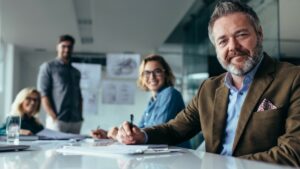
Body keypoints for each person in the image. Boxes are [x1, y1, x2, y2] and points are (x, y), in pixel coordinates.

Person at [116, 1, 300, 167]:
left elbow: (293, 153)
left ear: (259, 34)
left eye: (241, 34)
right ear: (216, 48)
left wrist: (227, 166)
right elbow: (175, 129)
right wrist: (142, 135)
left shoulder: (292, 79)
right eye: (223, 41)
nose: (232, 46)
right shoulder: (209, 89)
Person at [91, 54, 190, 148]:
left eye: (157, 71)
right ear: (142, 77)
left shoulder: (170, 93)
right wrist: (110, 134)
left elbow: (155, 131)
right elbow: (139, 130)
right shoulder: (152, 101)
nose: (152, 77)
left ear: (166, 74)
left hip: (176, 158)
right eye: (147, 72)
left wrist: (118, 134)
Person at [37, 34, 83, 134]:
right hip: (58, 120)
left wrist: (80, 116)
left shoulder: (76, 72)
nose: (67, 49)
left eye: (70, 47)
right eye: (64, 46)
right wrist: (53, 117)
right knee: (54, 149)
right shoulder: (48, 67)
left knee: (75, 149)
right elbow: (43, 94)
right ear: (57, 47)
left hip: (76, 120)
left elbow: (79, 96)